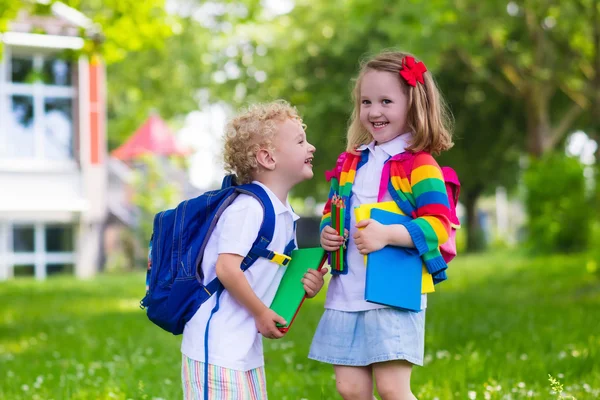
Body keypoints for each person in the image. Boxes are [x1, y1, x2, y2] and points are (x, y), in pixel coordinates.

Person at [309, 51, 455, 400]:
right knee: (350, 389)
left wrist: (388, 234)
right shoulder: (350, 162)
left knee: (391, 390)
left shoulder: (421, 165)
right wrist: (329, 231)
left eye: (386, 101)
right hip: (347, 293)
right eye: (366, 101)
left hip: (394, 292)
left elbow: (440, 226)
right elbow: (334, 211)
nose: (374, 111)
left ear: (413, 104)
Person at [181, 100, 326, 399]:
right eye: (300, 141)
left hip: (243, 350)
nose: (311, 147)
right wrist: (261, 313)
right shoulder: (248, 208)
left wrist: (307, 285)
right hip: (217, 350)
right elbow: (226, 268)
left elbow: (277, 276)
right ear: (268, 158)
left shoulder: (284, 214)